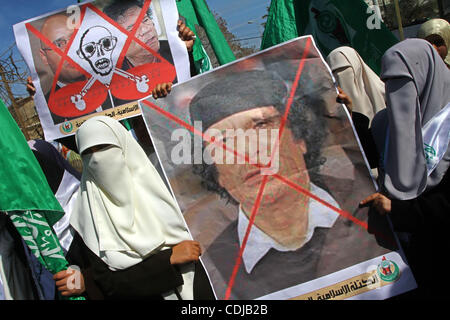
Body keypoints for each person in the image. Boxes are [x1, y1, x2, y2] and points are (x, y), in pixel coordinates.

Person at [186, 70, 391, 299]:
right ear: (218, 175)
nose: (246, 152)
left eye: (261, 126)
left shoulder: (368, 207)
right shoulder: (216, 266)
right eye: (223, 142)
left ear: (299, 138)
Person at [57, 116, 214, 299]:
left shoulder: (167, 186)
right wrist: (168, 260)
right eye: (88, 153)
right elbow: (108, 283)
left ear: (123, 145)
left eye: (104, 148)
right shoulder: (87, 214)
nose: (98, 159)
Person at [361, 39, 450, 298]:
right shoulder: (384, 124)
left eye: (403, 84)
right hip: (399, 261)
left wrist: (400, 210)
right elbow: (360, 155)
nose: (397, 94)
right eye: (389, 84)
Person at [326, 46, 386, 168]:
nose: (342, 77)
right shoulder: (331, 109)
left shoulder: (386, 94)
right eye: (335, 74)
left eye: (347, 71)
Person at [103, 0, 196, 74]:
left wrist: (187, 52)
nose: (146, 30)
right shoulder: (110, 74)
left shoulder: (173, 47)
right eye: (132, 29)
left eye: (145, 20)